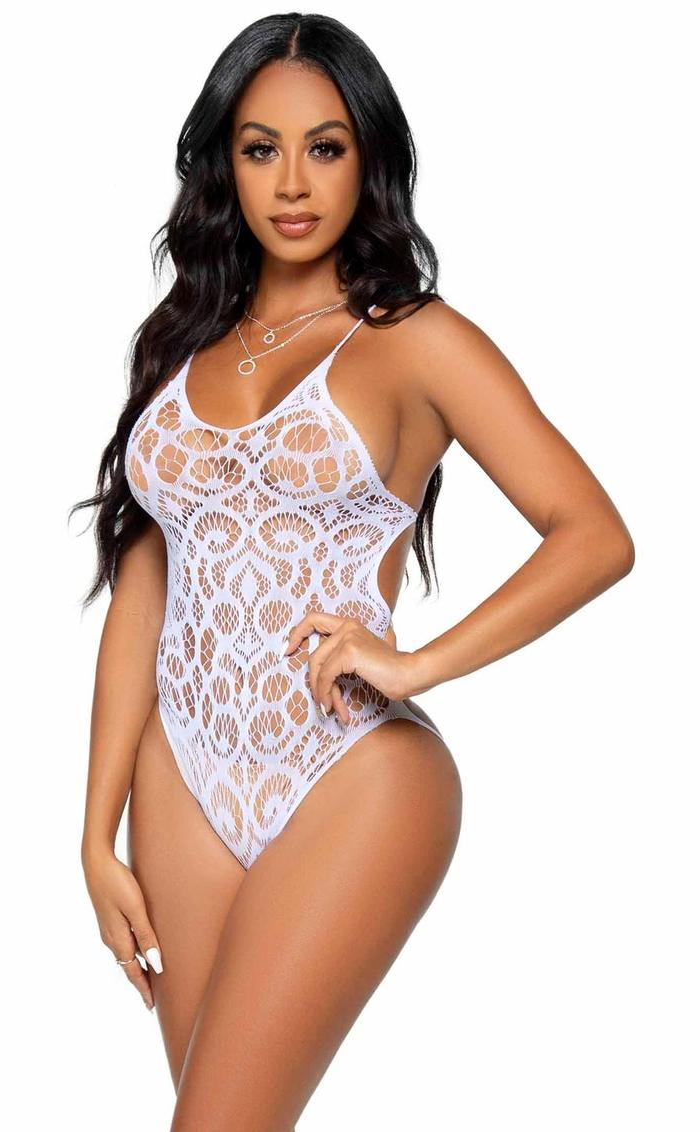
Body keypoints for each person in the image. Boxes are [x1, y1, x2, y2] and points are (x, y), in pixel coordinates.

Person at [72, 14, 635, 1130]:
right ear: (223, 164)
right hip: (180, 772)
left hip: (351, 772)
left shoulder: (415, 339)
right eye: (260, 148)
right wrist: (95, 831)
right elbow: (147, 585)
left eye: (324, 147)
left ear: (367, 156)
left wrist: (416, 663)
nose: (292, 183)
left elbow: (592, 535)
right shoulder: (182, 339)